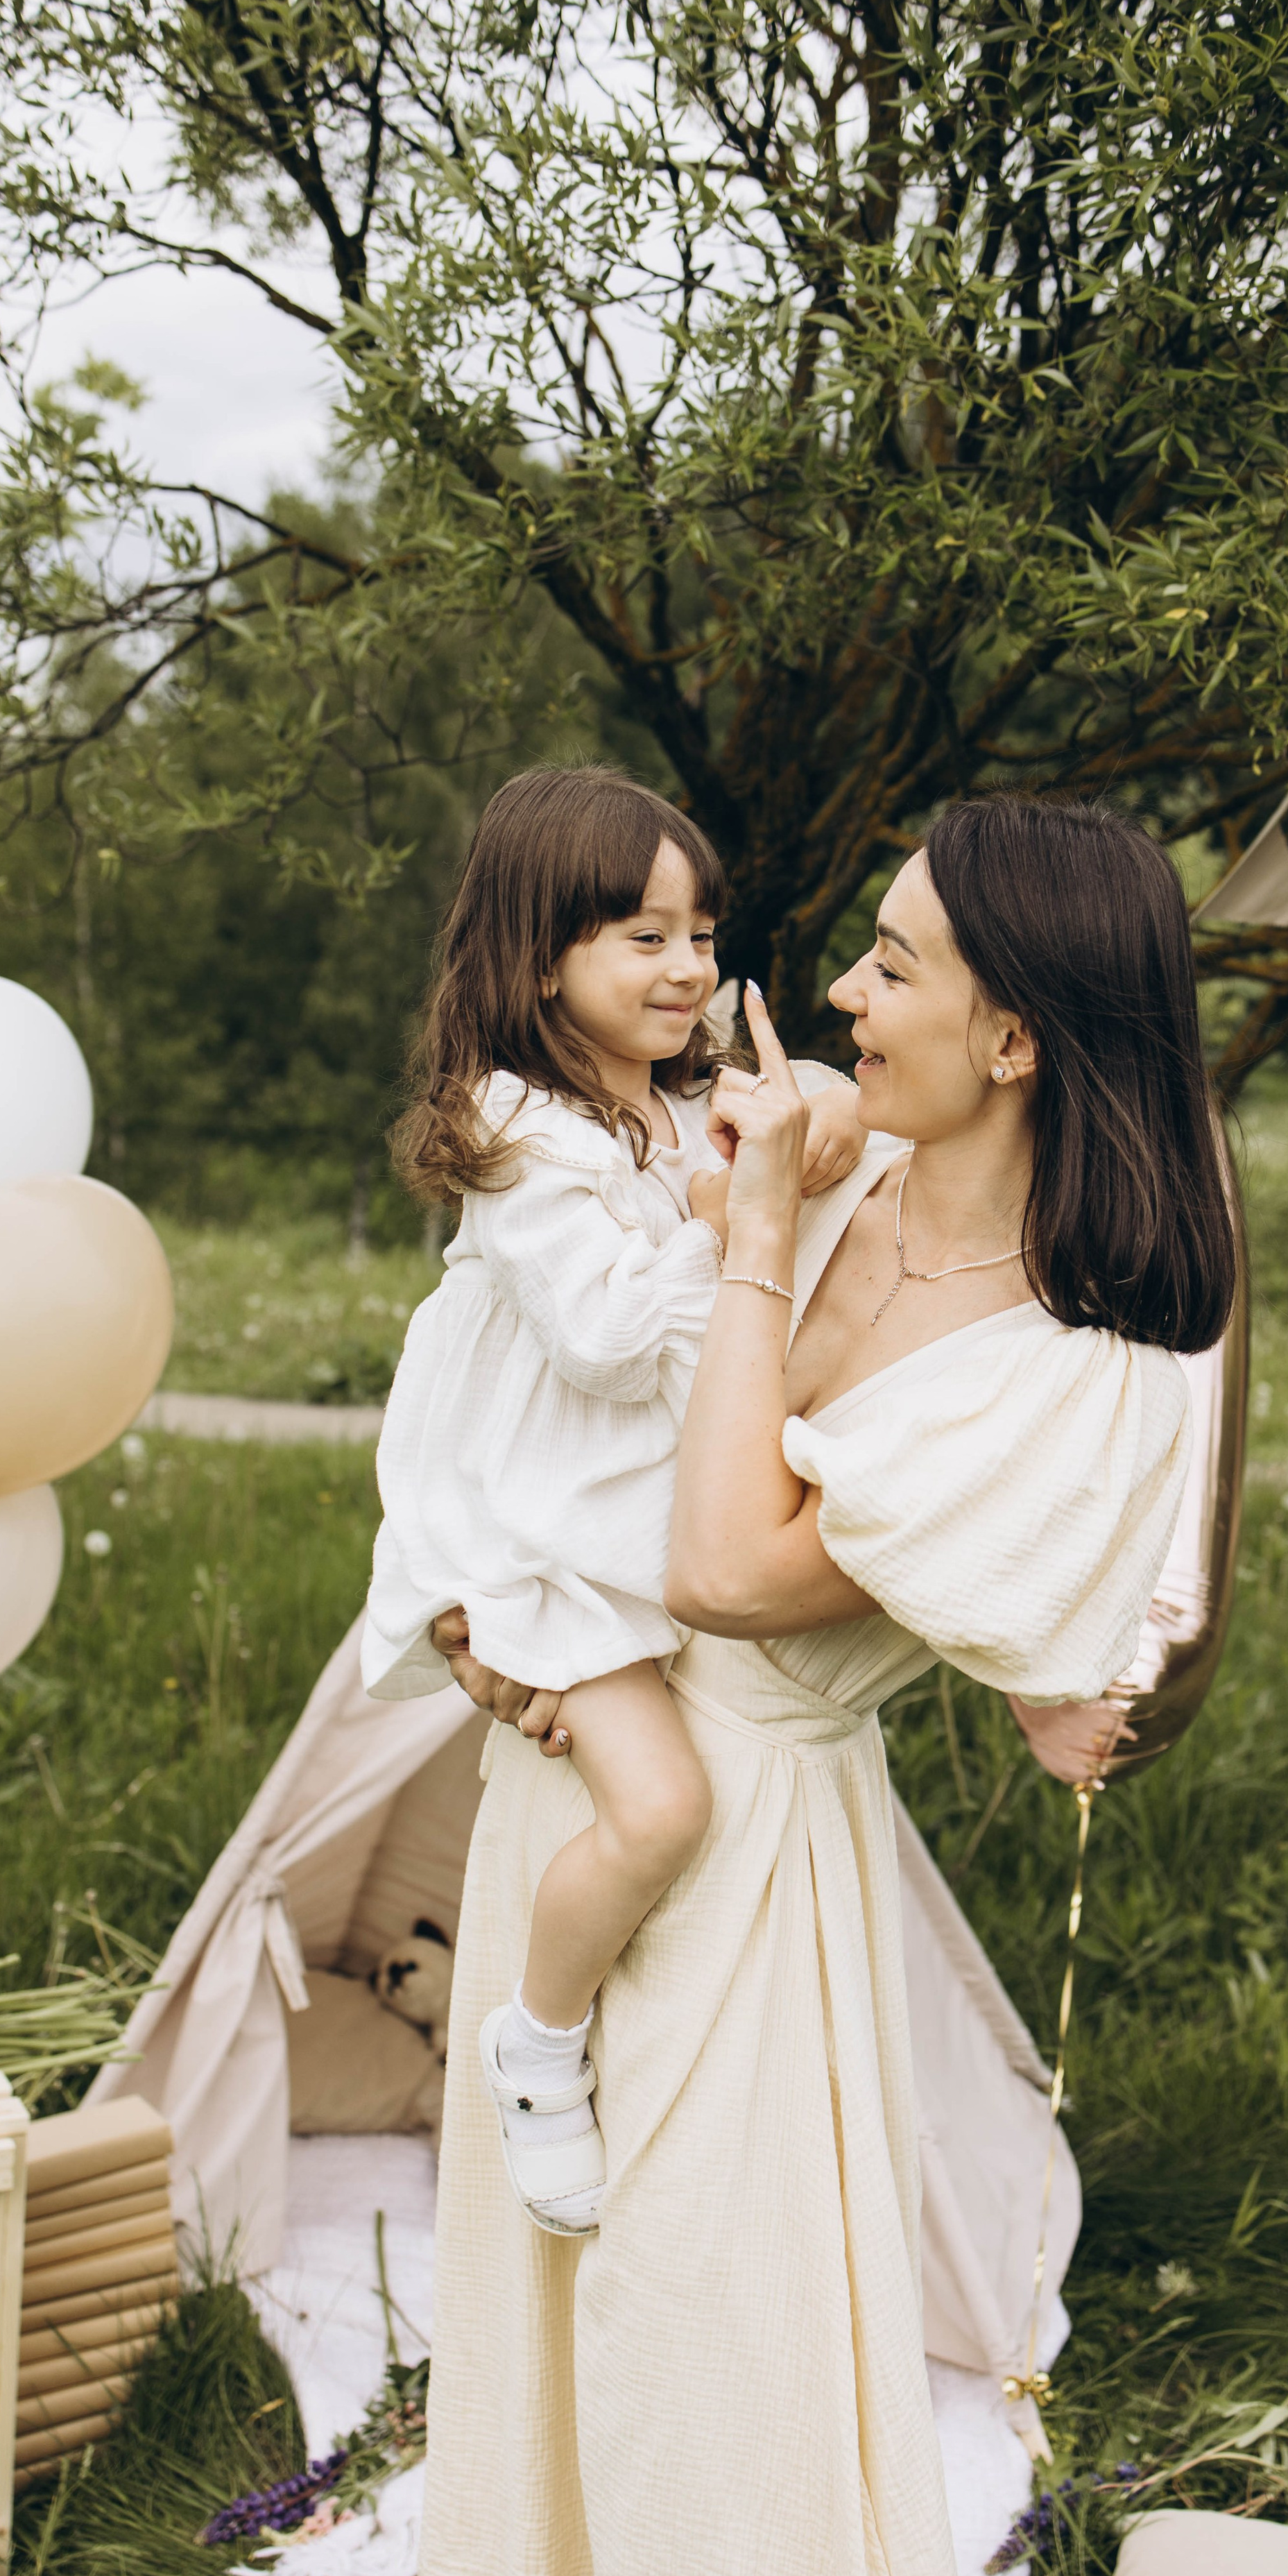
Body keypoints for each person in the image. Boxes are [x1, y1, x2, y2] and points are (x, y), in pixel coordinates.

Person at [419, 794, 1237, 2576]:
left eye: (894, 963)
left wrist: (757, 1236)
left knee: (706, 2354)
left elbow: (721, 1565)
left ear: (1012, 1040)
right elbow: (535, 1398)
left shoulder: (1072, 1361)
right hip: (574, 1768)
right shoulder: (846, 1178)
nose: (844, 996)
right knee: (547, 2327)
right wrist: (481, 1616)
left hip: (744, 1857)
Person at [362, 765, 866, 2233]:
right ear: (539, 959)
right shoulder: (520, 1130)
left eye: (701, 934)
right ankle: (537, 2040)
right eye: (644, 937)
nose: (688, 967)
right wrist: (727, 1223)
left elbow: (810, 1112)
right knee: (661, 1810)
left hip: (638, 1521)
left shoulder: (678, 1097)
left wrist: (821, 1112)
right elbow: (598, 1340)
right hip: (540, 1537)